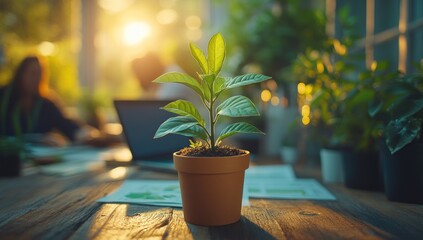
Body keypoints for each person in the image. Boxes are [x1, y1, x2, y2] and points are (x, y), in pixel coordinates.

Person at [0, 55, 97, 146]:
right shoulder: (4, 97)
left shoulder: (45, 104)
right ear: (21, 74)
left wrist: (85, 133)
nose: (36, 79)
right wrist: (38, 139)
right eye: (32, 73)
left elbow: (64, 123)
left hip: (37, 160)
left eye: (39, 74)